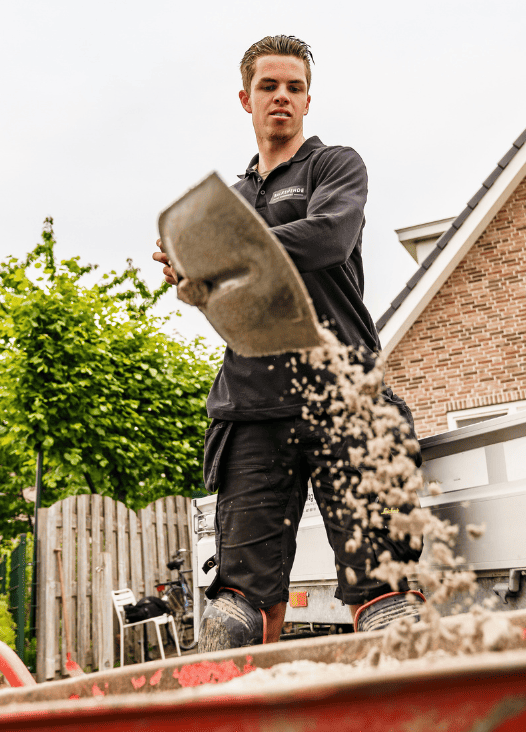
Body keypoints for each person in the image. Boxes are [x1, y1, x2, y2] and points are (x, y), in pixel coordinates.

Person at [152, 35, 422, 651]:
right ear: (245, 98)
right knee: (236, 613)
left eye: (294, 88)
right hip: (252, 404)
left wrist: (222, 253)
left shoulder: (335, 167)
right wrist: (194, 274)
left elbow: (327, 239)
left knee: (387, 601)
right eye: (269, 87)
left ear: (307, 100)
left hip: (343, 396)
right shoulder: (231, 201)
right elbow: (233, 303)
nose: (281, 98)